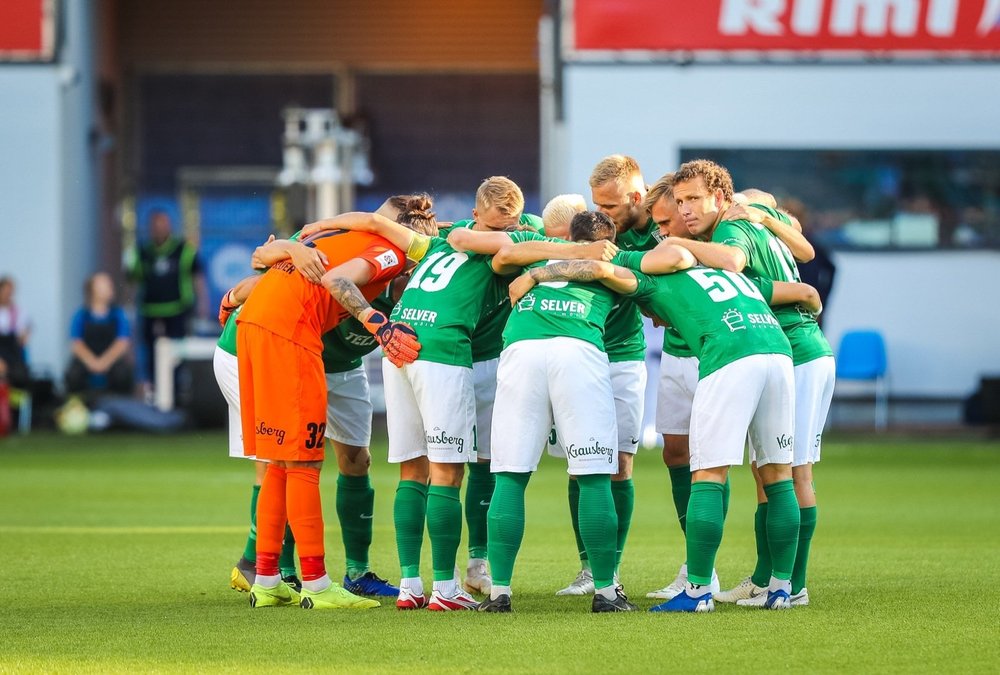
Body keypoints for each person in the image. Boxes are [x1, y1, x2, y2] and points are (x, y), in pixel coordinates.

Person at [516, 238, 821, 612]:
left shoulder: (652, 278)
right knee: (779, 476)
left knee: (708, 475)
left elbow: (598, 268)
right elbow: (806, 293)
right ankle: (780, 589)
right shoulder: (728, 274)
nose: (654, 320)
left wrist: (535, 274)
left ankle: (697, 592)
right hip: (778, 352)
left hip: (730, 355)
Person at [236, 201, 432, 611]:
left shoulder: (341, 234)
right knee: (305, 464)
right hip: (291, 332)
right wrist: (376, 322)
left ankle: (268, 578)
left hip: (254, 325)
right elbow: (338, 280)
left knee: (277, 460)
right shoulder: (390, 251)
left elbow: (269, 256)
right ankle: (318, 584)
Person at [667, 159, 835, 608]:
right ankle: (769, 579)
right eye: (679, 202)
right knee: (777, 471)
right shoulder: (757, 214)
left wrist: (680, 245)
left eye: (692, 200)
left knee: (787, 473)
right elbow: (806, 252)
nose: (684, 210)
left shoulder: (728, 230)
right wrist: (765, 214)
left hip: (791, 349)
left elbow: (735, 267)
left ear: (720, 197)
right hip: (806, 347)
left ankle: (790, 585)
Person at [553, 155, 662, 597]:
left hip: (622, 355)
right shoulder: (588, 227)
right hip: (578, 354)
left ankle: (609, 572)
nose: (601, 214)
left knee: (619, 463)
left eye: (611, 207)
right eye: (597, 204)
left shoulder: (659, 231)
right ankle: (587, 569)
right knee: (581, 467)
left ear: (636, 198)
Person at [437, 176, 545, 597]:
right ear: (477, 211)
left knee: (486, 461)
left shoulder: (524, 230)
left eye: (512, 224)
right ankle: (432, 576)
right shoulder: (456, 234)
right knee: (439, 467)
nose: (506, 233)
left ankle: (477, 561)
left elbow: (550, 233)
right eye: (497, 223)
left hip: (491, 361)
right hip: (447, 358)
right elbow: (463, 238)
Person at [126, 210, 208, 390]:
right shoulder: (142, 252)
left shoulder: (184, 250)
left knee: (178, 356)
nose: (159, 229)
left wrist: (203, 305)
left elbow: (197, 278)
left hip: (178, 311)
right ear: (150, 228)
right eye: (155, 225)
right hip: (150, 312)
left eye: (163, 224)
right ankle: (154, 394)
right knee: (151, 356)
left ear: (170, 226)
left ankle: (178, 394)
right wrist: (130, 307)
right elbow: (133, 281)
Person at [65, 273, 134, 397]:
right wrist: (93, 363)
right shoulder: (81, 315)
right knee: (72, 375)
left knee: (123, 375)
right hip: (87, 360)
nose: (110, 287)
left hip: (111, 360)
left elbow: (122, 343)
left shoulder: (118, 315)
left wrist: (104, 362)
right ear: (93, 290)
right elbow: (76, 344)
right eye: (104, 284)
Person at [0, 276, 30, 389]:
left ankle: (17, 406)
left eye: (11, 292)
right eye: (6, 291)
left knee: (20, 376)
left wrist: (24, 336)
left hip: (13, 353)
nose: (9, 295)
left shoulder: (18, 312)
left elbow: (24, 332)